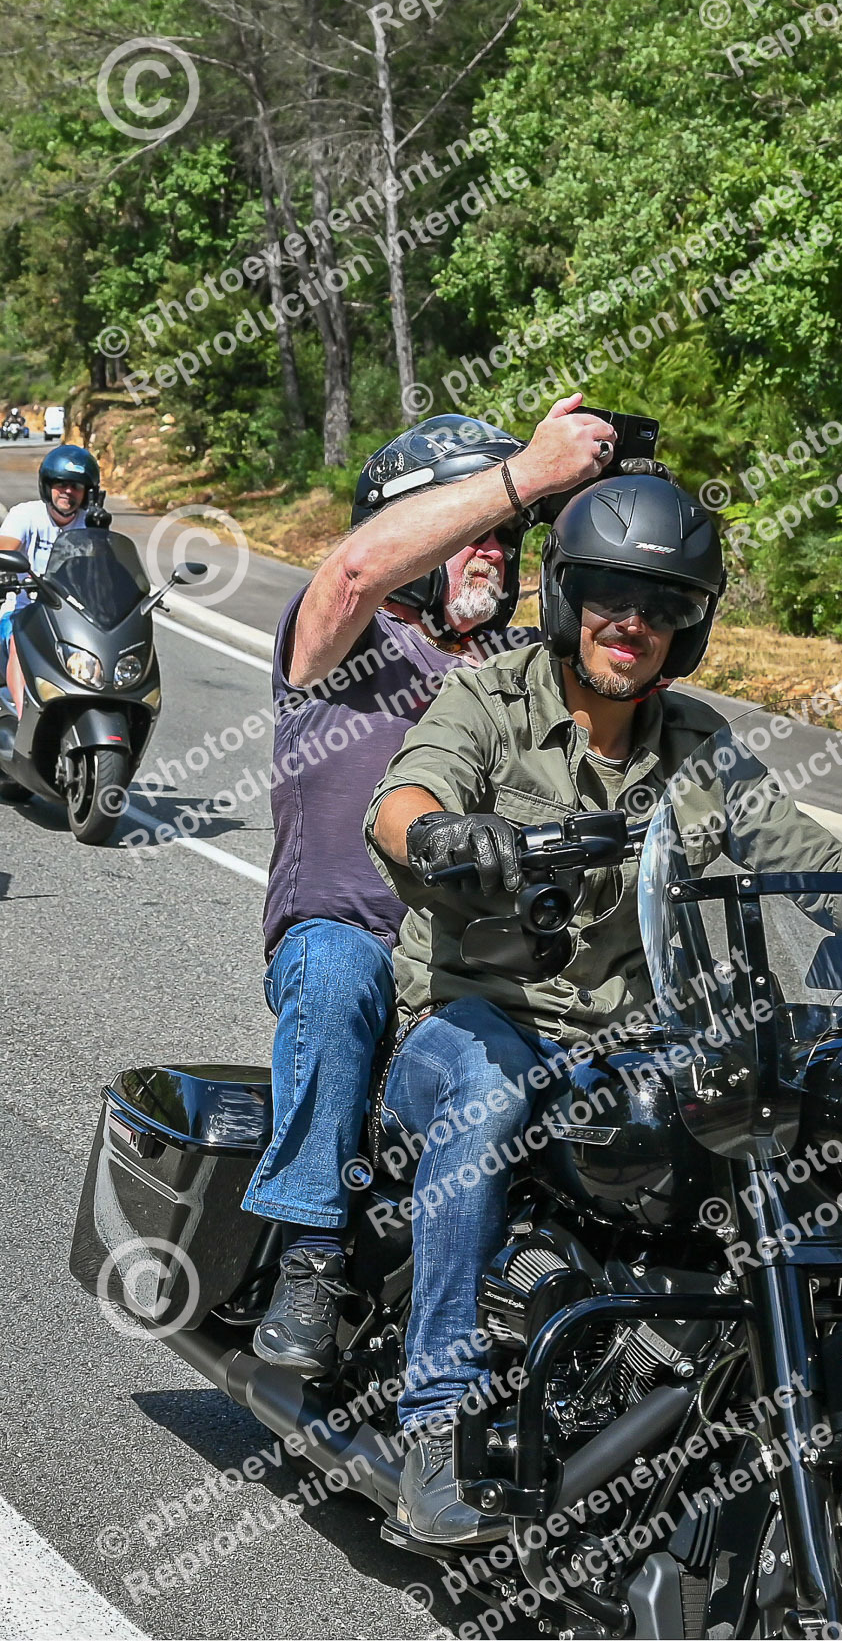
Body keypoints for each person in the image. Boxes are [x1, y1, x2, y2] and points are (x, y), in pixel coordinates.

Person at [365, 473, 842, 1548]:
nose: (631, 623)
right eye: (609, 595)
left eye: (664, 604)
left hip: (633, 1042)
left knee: (789, 1104)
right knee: (488, 1097)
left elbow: (809, 857)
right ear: (566, 593)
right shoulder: (491, 700)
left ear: (689, 625)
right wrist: (444, 836)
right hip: (475, 1022)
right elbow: (404, 798)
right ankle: (434, 1424)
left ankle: (745, 1380)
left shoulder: (697, 743)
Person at [244, 397, 618, 1380]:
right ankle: (310, 1251)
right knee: (337, 969)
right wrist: (525, 476)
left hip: (476, 968)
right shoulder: (345, 639)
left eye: (507, 537)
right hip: (356, 943)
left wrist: (609, 497)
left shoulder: (516, 670)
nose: (494, 548)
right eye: (472, 529)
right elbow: (356, 570)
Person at [0, 444, 98, 714]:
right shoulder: (26, 514)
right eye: (61, 483)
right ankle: (24, 716)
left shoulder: (91, 524)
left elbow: (106, 568)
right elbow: (5, 548)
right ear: (47, 486)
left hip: (74, 617)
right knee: (21, 642)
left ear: (87, 493)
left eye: (76, 486)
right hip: (24, 610)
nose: (68, 491)